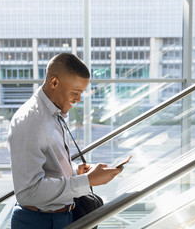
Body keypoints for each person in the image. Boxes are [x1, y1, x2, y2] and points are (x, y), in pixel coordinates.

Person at [8, 53, 123, 229]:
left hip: (62, 217)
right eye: (75, 92)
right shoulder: (31, 120)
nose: (78, 99)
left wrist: (75, 171)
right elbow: (28, 192)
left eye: (81, 93)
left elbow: (48, 166)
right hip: (39, 222)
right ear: (54, 82)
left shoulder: (55, 113)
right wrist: (88, 181)